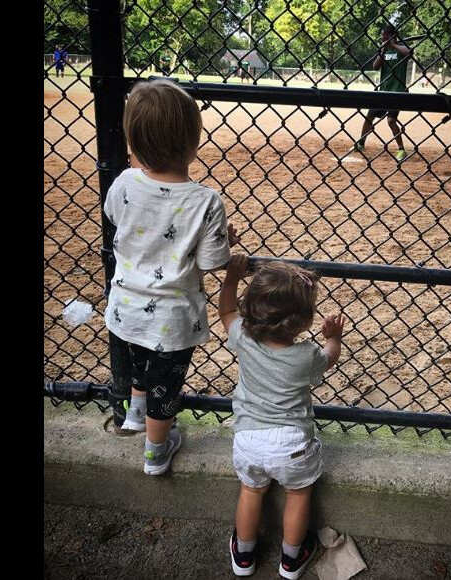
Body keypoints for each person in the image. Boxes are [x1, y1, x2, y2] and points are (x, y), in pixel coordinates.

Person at [103, 79, 239, 476]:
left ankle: (133, 416)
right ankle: (156, 451)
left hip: (127, 304)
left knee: (140, 361)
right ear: (192, 143)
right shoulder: (205, 199)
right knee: (166, 386)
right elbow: (213, 261)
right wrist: (223, 240)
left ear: (133, 141)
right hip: (172, 316)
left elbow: (116, 218)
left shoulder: (124, 183)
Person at [218, 255, 345, 578]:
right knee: (298, 494)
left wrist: (232, 278)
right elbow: (329, 357)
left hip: (248, 439)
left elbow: (226, 311)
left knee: (251, 490)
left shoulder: (243, 339)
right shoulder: (306, 356)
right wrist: (333, 337)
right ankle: (291, 559)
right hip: (292, 444)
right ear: (302, 322)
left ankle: (244, 555)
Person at [355, 24, 411, 162]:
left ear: (391, 35)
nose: (381, 37)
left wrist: (394, 45)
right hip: (383, 90)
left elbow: (409, 52)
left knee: (391, 121)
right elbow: (375, 66)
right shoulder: (384, 50)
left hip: (397, 91)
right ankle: (361, 143)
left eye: (383, 35)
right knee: (369, 115)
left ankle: (401, 150)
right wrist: (383, 50)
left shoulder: (400, 48)